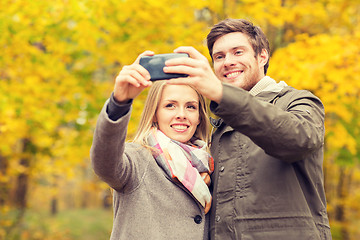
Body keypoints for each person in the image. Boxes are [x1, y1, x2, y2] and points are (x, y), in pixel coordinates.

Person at [163, 19, 332, 239]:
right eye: (219, 56)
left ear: (262, 57)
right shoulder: (218, 126)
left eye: (238, 52)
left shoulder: (299, 102)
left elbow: (298, 139)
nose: (227, 62)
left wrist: (220, 93)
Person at [90, 51, 214, 240]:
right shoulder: (137, 159)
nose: (181, 114)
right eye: (170, 105)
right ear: (155, 113)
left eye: (190, 106)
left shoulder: (209, 164)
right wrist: (119, 103)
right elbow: (104, 164)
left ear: (199, 117)